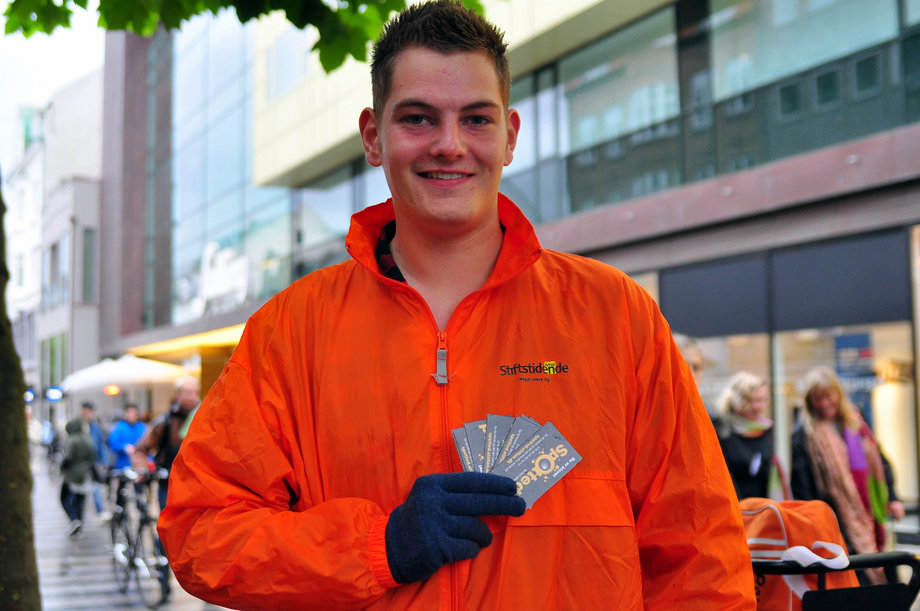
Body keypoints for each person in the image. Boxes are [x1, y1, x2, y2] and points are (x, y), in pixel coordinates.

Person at [158, 2, 755, 609]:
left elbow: (700, 553)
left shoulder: (616, 314)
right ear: (373, 136)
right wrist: (378, 546)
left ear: (509, 136)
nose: (449, 145)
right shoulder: (290, 330)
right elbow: (202, 533)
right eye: (418, 118)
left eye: (476, 119)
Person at [791, 366, 904, 582]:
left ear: (838, 395)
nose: (825, 403)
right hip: (837, 524)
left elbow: (880, 462)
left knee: (886, 576)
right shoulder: (804, 434)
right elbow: (802, 488)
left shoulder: (856, 423)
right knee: (857, 582)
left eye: (829, 396)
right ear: (810, 401)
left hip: (871, 513)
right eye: (818, 399)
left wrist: (893, 497)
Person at [714, 371, 788, 500]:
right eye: (755, 400)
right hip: (733, 504)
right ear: (737, 400)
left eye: (764, 400)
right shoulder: (722, 430)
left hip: (764, 506)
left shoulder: (767, 430)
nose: (760, 407)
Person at [133, 376, 200, 512]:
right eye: (187, 393)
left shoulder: (205, 418)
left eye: (195, 392)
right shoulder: (165, 421)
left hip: (198, 486)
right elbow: (141, 449)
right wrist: (141, 468)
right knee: (169, 522)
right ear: (177, 395)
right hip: (168, 484)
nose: (192, 397)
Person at [60, 417, 95, 537]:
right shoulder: (88, 439)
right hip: (86, 474)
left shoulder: (72, 440)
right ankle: (79, 523)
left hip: (72, 475)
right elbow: (93, 455)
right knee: (80, 500)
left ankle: (74, 519)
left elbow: (67, 457)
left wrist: (62, 466)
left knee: (64, 498)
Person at [107, 403, 147, 507]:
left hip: (139, 466)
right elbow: (112, 442)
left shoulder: (142, 427)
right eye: (129, 413)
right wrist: (124, 447)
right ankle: (120, 509)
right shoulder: (120, 427)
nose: (131, 415)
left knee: (140, 493)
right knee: (122, 493)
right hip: (123, 465)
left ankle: (141, 510)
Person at [80, 401, 110, 520]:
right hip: (82, 463)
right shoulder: (79, 427)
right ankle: (79, 516)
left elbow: (101, 445)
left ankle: (100, 511)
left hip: (94, 462)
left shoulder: (96, 428)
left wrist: (105, 462)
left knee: (95, 488)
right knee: (80, 490)